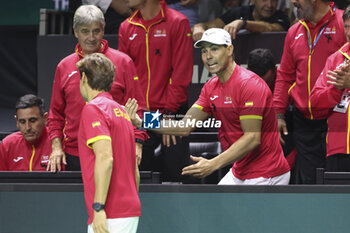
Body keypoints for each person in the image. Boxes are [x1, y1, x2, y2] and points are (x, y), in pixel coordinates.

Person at [126, 28, 290, 185]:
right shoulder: (211, 87)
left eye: (214, 49)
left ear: (230, 49)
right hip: (240, 170)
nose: (208, 56)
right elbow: (184, 125)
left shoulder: (249, 85)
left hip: (268, 172)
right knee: (216, 211)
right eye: (204, 51)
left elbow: (252, 138)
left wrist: (213, 164)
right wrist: (142, 121)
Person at [47, 5, 147, 172]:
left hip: (116, 151)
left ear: (103, 29)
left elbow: (141, 109)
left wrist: (138, 143)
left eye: (96, 31)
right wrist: (56, 147)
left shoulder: (124, 62)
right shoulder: (63, 66)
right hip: (74, 154)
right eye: (85, 31)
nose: (91, 37)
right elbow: (55, 114)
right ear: (75, 31)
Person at [119, 0, 193, 182]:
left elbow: (181, 74)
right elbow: (125, 78)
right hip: (141, 115)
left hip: (171, 112)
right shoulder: (126, 27)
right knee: (140, 177)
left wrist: (169, 112)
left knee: (178, 177)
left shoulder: (178, 22)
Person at [273, 0, 346, 184]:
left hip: (336, 118)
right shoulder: (294, 31)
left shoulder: (343, 23)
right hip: (303, 121)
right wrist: (278, 113)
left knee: (336, 183)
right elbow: (284, 75)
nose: (293, 2)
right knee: (309, 183)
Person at [77, 53, 140, 233]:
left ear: (83, 78)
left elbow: (105, 158)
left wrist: (98, 207)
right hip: (128, 208)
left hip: (110, 212)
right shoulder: (122, 112)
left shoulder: (93, 108)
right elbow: (134, 167)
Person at [310, 6, 350, 172]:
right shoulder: (335, 60)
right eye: (347, 27)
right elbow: (315, 104)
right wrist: (336, 89)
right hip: (338, 150)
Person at [192, 0, 290, 41]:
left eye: (274, 0)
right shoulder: (237, 12)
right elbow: (210, 25)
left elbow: (272, 28)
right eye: (264, 0)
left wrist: (243, 23)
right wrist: (198, 28)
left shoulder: (282, 17)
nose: (269, 5)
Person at [0, 94, 52, 171]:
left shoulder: (59, 142)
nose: (28, 127)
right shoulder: (7, 145)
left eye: (32, 120)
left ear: (45, 118)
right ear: (17, 121)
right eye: (22, 122)